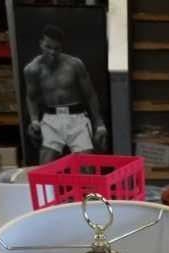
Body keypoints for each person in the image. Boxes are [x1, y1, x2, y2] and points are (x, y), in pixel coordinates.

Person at [23, 24, 108, 164]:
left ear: (61, 47)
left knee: (87, 165)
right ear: (41, 44)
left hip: (76, 117)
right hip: (51, 119)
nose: (52, 52)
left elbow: (90, 94)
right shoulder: (32, 69)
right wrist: (34, 120)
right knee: (45, 166)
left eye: (56, 48)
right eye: (48, 47)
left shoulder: (74, 64)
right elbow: (31, 97)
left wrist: (100, 124)